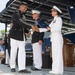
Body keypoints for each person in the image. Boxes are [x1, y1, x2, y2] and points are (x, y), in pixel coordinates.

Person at [39, 6, 63, 74]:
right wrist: (39, 30)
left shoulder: (59, 19)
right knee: (54, 55)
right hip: (54, 38)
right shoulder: (53, 20)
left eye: (53, 11)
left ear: (56, 12)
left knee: (58, 55)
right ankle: (54, 69)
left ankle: (58, 71)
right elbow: (48, 28)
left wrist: (50, 29)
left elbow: (58, 29)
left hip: (58, 38)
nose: (51, 12)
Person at [9, 2, 31, 73]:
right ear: (21, 6)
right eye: (25, 7)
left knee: (22, 52)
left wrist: (27, 31)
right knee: (13, 51)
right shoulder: (15, 14)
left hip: (21, 36)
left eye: (26, 8)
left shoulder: (24, 16)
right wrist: (31, 26)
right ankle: (12, 66)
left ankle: (21, 68)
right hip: (14, 36)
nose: (26, 9)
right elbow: (20, 22)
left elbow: (23, 26)